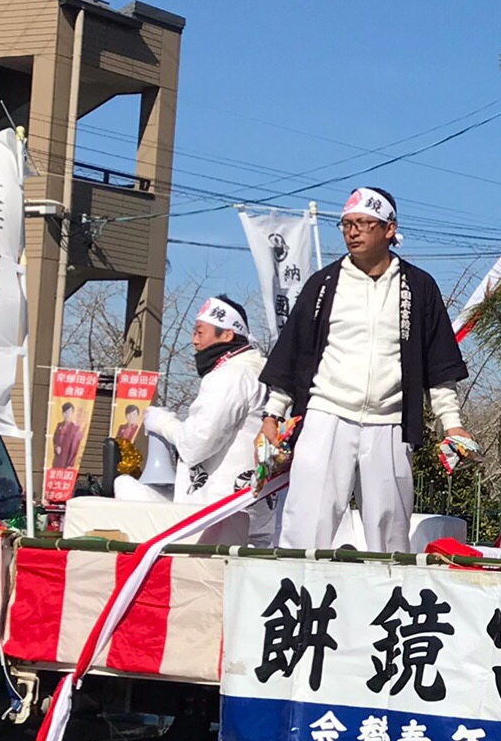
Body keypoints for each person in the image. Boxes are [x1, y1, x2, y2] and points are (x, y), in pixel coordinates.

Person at [258, 187, 475, 552]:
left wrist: (451, 422)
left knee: (389, 529)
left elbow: (439, 364)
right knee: (308, 521)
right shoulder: (324, 285)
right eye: (346, 225)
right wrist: (271, 415)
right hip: (327, 413)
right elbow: (292, 354)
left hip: (389, 422)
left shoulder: (418, 287)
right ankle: (299, 598)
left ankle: (386, 599)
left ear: (389, 230)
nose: (352, 232)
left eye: (362, 223)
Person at [129, 297, 268, 515]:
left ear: (227, 334)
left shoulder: (230, 375)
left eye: (200, 332)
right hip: (255, 501)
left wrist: (164, 424)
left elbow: (196, 442)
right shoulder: (260, 372)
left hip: (220, 505)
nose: (194, 341)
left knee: (125, 487)